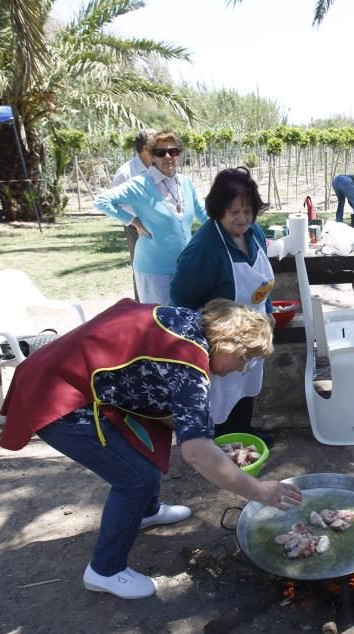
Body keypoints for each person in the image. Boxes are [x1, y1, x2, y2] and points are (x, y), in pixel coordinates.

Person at [0, 298, 302, 600]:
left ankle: (145, 511)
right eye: (244, 359)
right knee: (135, 479)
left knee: (141, 451)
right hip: (59, 399)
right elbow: (195, 452)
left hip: (63, 375)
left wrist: (204, 442)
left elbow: (178, 419)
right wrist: (259, 491)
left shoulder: (187, 321)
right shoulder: (189, 363)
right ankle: (105, 570)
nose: (240, 369)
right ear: (230, 344)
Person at [170, 167, 274, 439]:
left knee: (247, 384)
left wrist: (270, 312)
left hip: (252, 330)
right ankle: (220, 440)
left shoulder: (255, 234)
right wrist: (202, 343)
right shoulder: (204, 249)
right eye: (234, 212)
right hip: (222, 339)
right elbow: (181, 299)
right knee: (222, 393)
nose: (242, 219)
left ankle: (244, 431)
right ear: (218, 211)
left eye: (248, 211)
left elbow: (263, 282)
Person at [95, 131, 208, 305]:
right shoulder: (140, 184)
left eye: (173, 151)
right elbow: (102, 201)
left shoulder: (186, 183)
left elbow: (203, 215)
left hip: (185, 267)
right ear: (152, 156)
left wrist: (230, 227)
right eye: (161, 152)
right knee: (159, 325)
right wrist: (132, 221)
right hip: (154, 270)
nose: (168, 156)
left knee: (185, 322)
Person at [110, 128, 157, 299]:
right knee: (142, 268)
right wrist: (135, 222)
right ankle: (141, 309)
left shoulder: (156, 167)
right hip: (136, 228)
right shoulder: (126, 173)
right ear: (145, 148)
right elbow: (113, 204)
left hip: (158, 225)